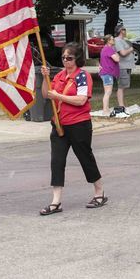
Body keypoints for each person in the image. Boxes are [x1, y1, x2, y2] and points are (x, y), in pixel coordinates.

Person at [39, 42, 107, 215]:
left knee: (85, 158)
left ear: (77, 59)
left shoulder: (82, 76)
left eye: (69, 58)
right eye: (63, 57)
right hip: (59, 125)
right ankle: (56, 201)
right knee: (57, 161)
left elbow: (81, 100)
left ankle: (99, 192)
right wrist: (45, 78)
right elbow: (46, 94)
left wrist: (59, 96)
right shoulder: (59, 75)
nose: (65, 61)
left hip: (79, 125)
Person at [113, 23, 135, 117]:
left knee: (124, 86)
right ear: (120, 31)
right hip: (122, 66)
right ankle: (121, 106)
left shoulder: (123, 40)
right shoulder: (117, 41)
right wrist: (131, 49)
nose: (125, 31)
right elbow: (122, 53)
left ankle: (122, 104)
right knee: (121, 86)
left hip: (127, 66)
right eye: (124, 29)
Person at [98, 35, 122, 117]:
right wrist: (117, 53)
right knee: (108, 92)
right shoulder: (109, 49)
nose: (114, 40)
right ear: (108, 41)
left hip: (106, 73)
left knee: (107, 92)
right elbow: (117, 59)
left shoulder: (104, 49)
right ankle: (105, 110)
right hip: (107, 73)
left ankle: (106, 108)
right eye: (112, 39)